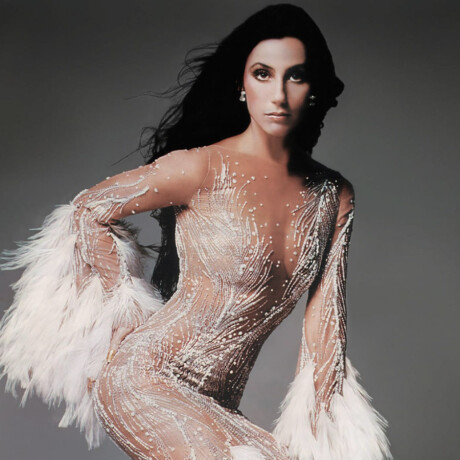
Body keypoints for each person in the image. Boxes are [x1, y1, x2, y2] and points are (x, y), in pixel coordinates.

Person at [0, 4, 393, 459]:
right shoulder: (201, 167)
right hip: (145, 380)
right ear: (242, 86)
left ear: (315, 89)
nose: (279, 94)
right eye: (263, 74)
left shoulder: (333, 195)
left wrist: (326, 438)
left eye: (296, 76)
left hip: (218, 404)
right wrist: (124, 309)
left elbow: (326, 325)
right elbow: (89, 209)